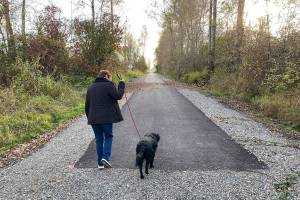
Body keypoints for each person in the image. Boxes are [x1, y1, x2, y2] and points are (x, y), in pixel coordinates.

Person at [85, 70, 125, 169]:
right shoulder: (109, 85)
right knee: (108, 136)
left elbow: (87, 105)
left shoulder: (91, 88)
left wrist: (89, 117)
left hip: (93, 118)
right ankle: (105, 158)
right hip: (106, 118)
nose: (111, 79)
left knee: (99, 139)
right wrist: (121, 84)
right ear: (106, 76)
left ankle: (100, 163)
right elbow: (118, 96)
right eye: (110, 77)